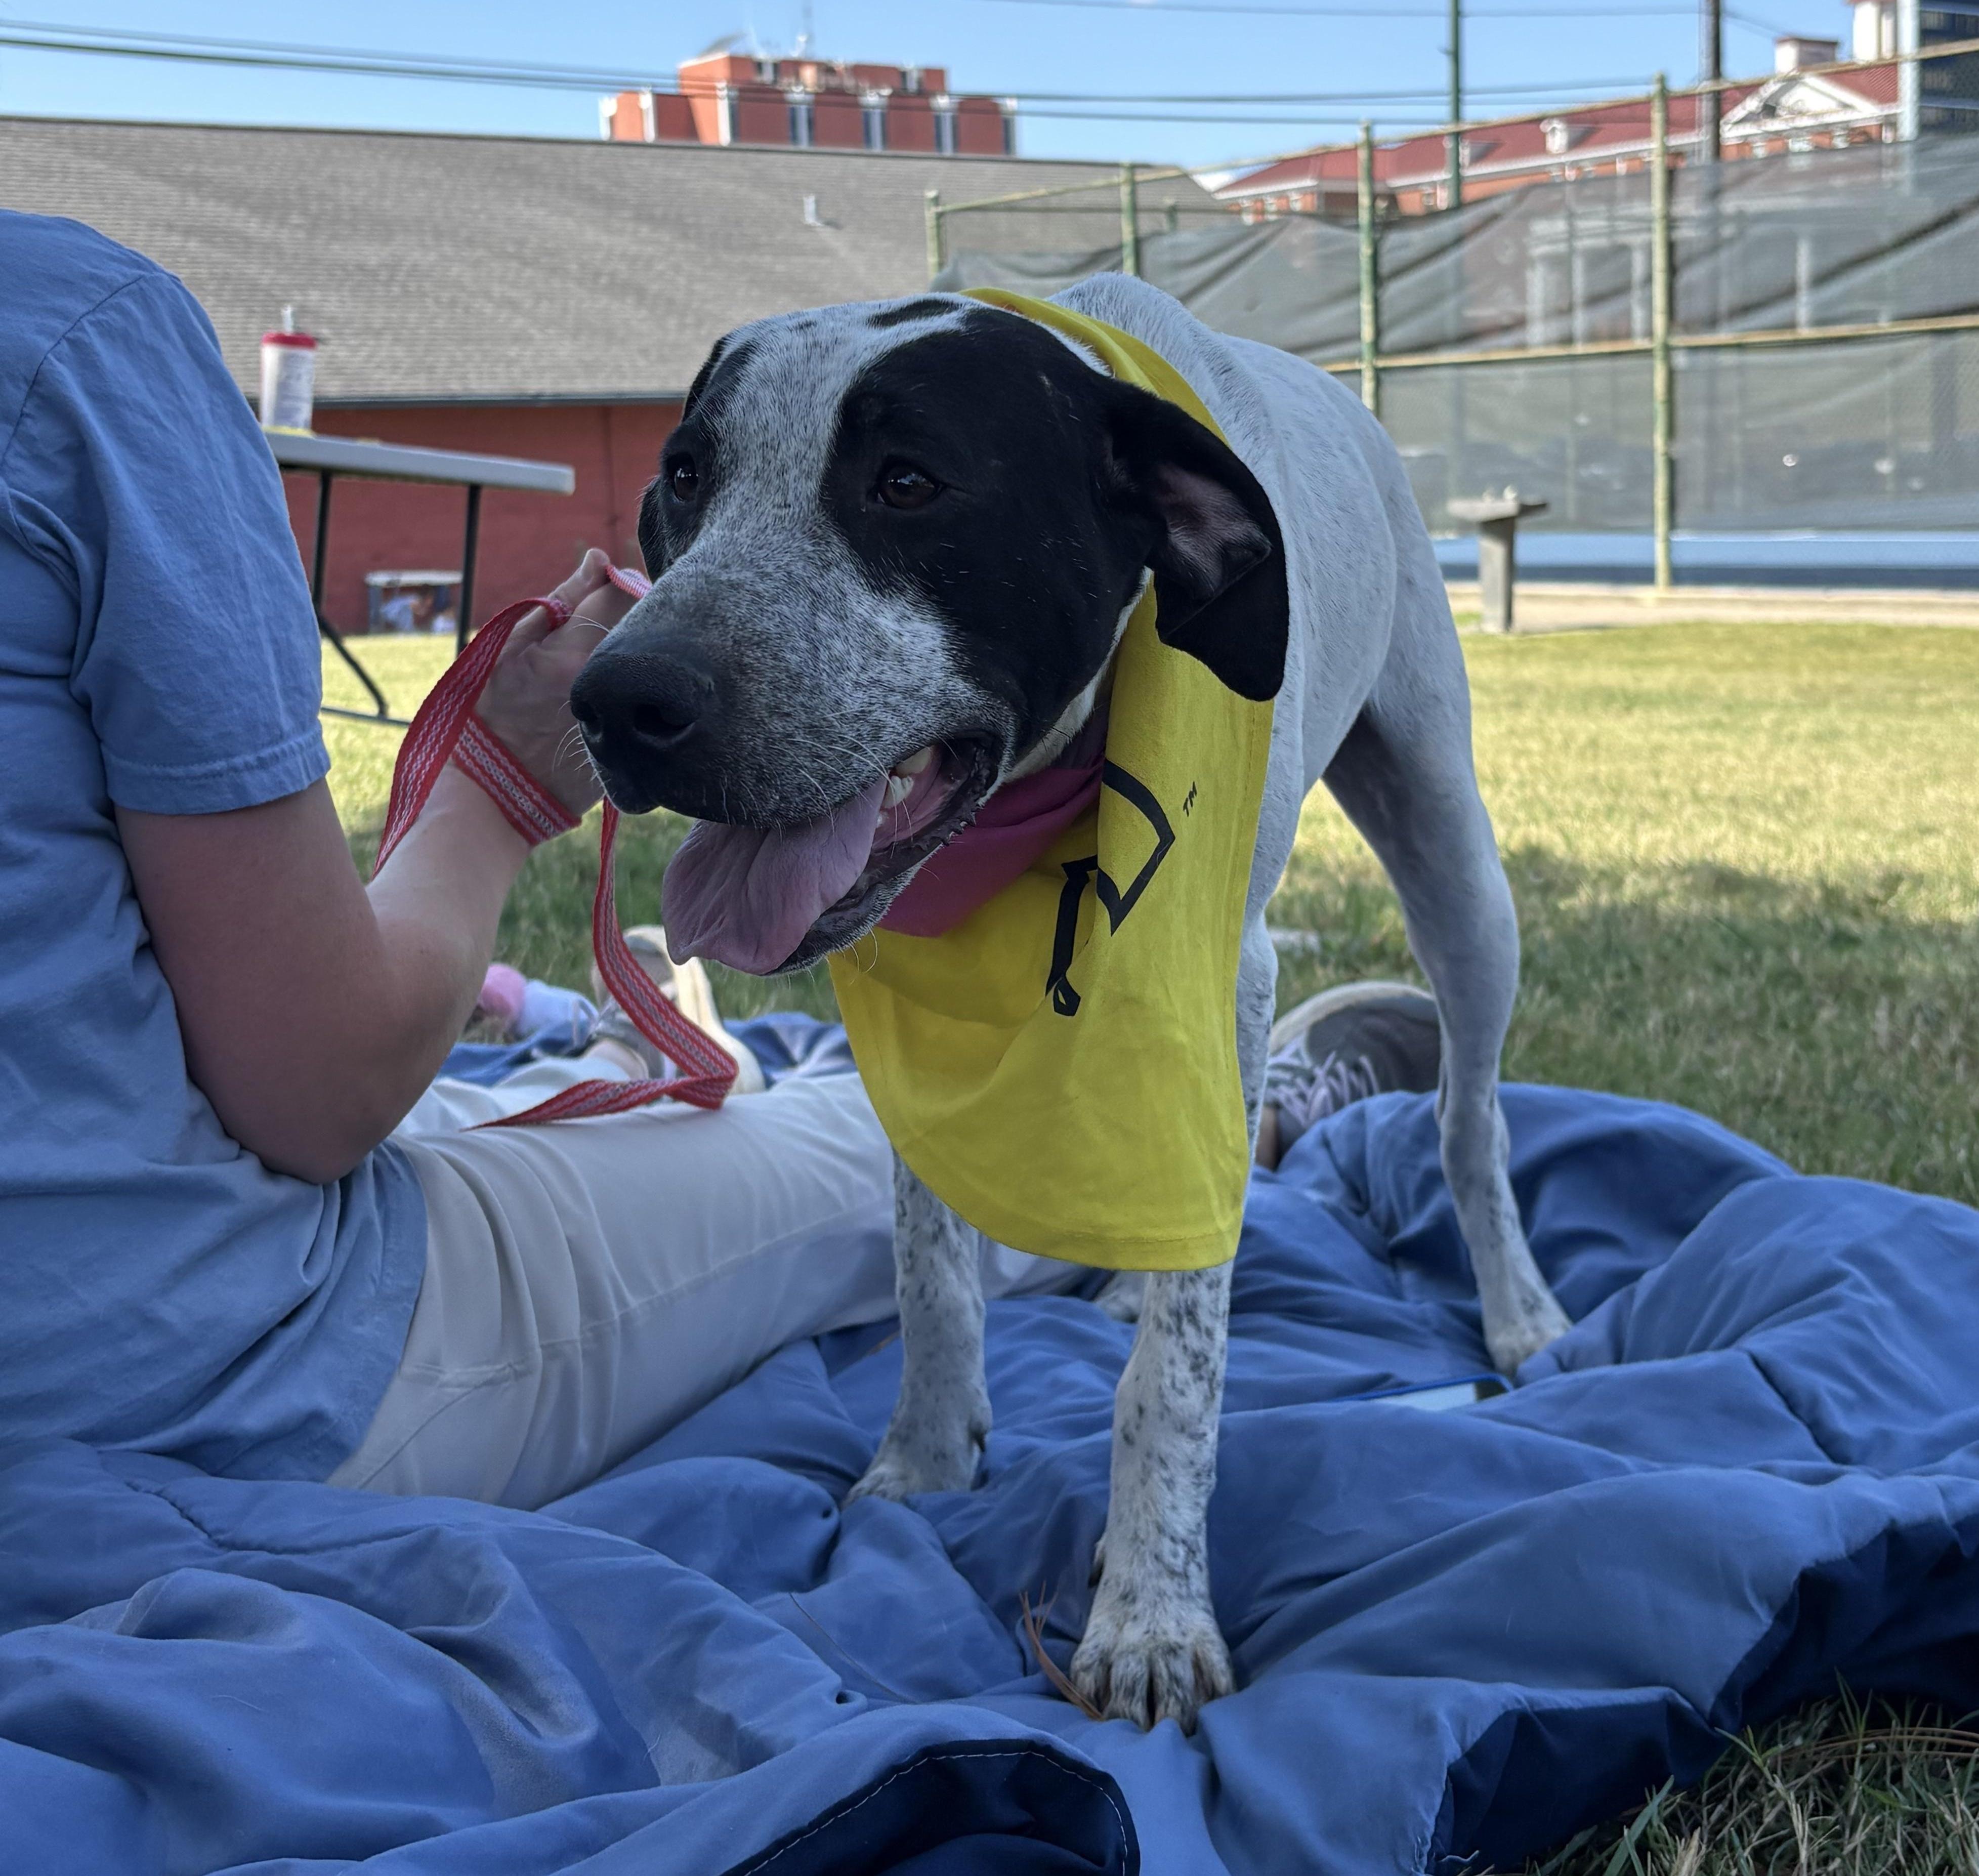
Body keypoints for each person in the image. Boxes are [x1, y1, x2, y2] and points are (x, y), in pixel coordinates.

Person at [0, 210, 1431, 1512]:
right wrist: (498, 786)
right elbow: (318, 1092)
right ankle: (1235, 1128)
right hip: (204, 1379)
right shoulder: (72, 333)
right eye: (691, 483)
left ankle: (635, 1063)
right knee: (881, 1129)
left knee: (635, 1105)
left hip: (120, 1285)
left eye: (910, 482)